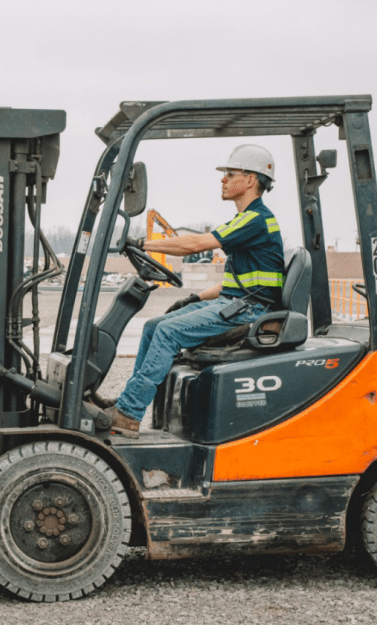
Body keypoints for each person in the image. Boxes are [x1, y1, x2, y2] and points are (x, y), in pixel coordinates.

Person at [105, 144, 285, 438]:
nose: (223, 180)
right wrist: (194, 298)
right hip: (239, 303)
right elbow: (236, 284)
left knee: (168, 332)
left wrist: (141, 244)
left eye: (230, 174)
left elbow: (195, 245)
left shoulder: (256, 220)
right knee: (154, 326)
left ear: (251, 180)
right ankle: (128, 403)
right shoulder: (246, 221)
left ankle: (128, 413)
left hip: (248, 311)